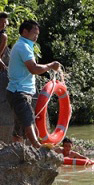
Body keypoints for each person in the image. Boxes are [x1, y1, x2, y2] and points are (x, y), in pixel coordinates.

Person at [7, 20, 60, 148]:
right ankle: (36, 146)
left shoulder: (25, 45)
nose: (36, 36)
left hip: (19, 91)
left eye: (37, 33)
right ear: (25, 32)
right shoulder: (23, 46)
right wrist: (50, 66)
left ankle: (17, 149)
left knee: (19, 124)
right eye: (34, 33)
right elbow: (34, 69)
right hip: (19, 91)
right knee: (28, 119)